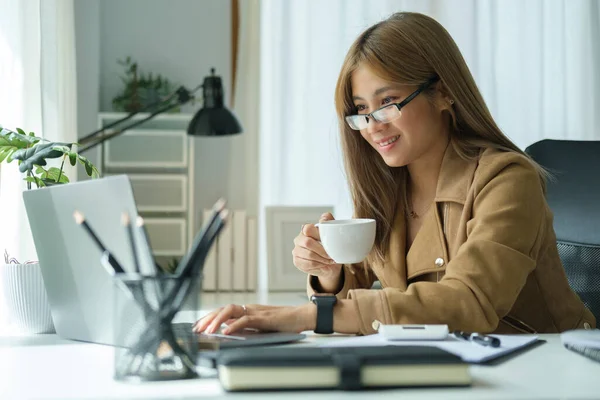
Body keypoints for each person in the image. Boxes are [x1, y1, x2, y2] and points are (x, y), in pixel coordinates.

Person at [194, 12, 596, 336]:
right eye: (361, 110)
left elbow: (468, 303)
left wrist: (307, 316)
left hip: (546, 368)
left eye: (388, 102)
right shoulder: (388, 186)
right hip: (446, 367)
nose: (372, 125)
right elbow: (365, 290)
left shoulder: (508, 180)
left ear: (443, 92)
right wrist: (331, 275)